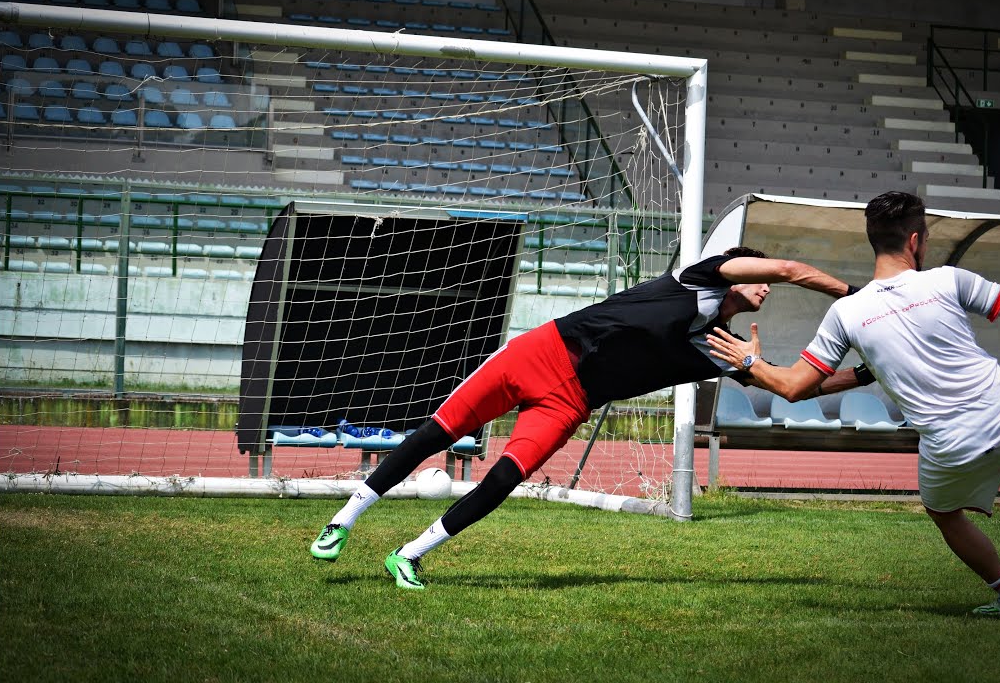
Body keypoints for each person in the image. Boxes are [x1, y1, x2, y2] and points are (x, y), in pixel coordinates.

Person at [310, 246, 875, 590]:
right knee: (439, 431)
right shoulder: (702, 277)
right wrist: (858, 296)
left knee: (507, 476)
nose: (767, 286)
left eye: (768, 285)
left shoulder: (720, 346)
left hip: (571, 401)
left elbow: (796, 388)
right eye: (760, 279)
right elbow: (790, 266)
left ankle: (408, 555)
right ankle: (344, 519)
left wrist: (868, 375)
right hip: (543, 351)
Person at [705, 191, 1000, 620]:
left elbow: (792, 388)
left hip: (950, 445)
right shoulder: (947, 280)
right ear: (916, 241)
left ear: (873, 239)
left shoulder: (847, 312)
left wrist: (749, 362)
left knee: (943, 512)